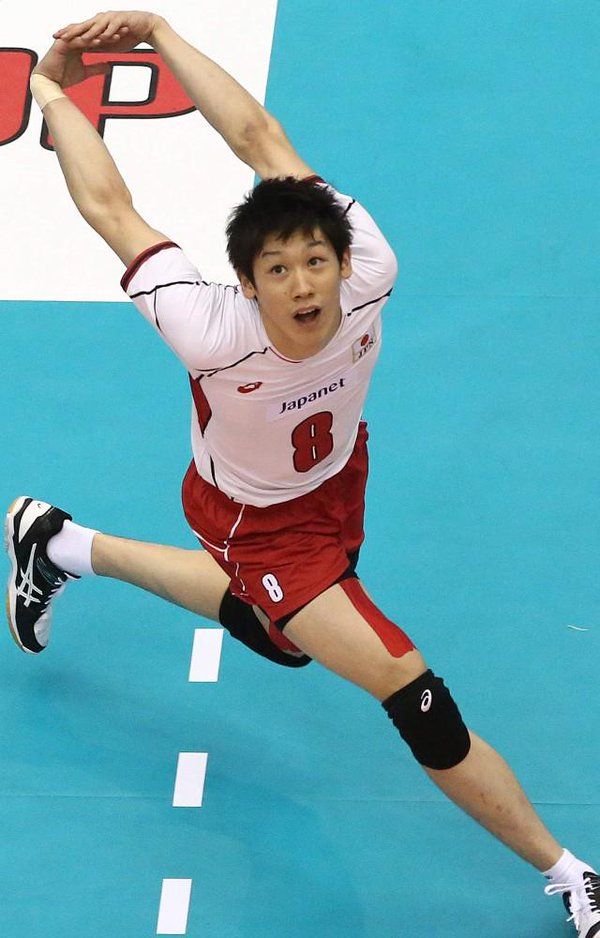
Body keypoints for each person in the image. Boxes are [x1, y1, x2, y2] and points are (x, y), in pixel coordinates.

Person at [5, 11, 598, 934]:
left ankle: (57, 543)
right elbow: (111, 209)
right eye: (276, 269)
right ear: (247, 284)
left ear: (341, 262)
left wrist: (160, 33)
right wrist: (50, 93)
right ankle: (572, 874)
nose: (303, 285)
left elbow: (260, 138)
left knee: (276, 635)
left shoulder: (371, 269)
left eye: (314, 261)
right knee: (414, 693)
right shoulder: (208, 329)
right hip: (258, 521)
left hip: (335, 481)